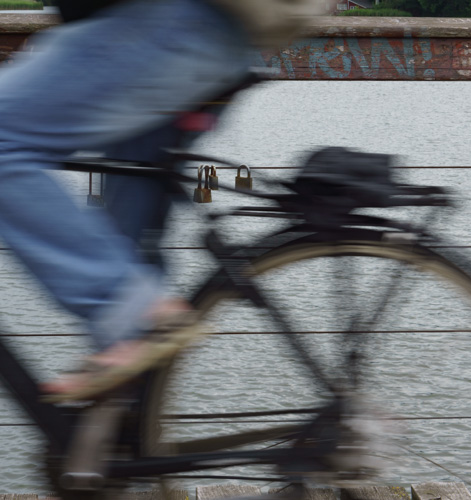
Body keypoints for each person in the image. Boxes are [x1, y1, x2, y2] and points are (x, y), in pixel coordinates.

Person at [0, 0, 314, 402]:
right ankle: (122, 426)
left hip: (176, 23)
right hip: (198, 30)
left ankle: (138, 316)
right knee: (122, 241)